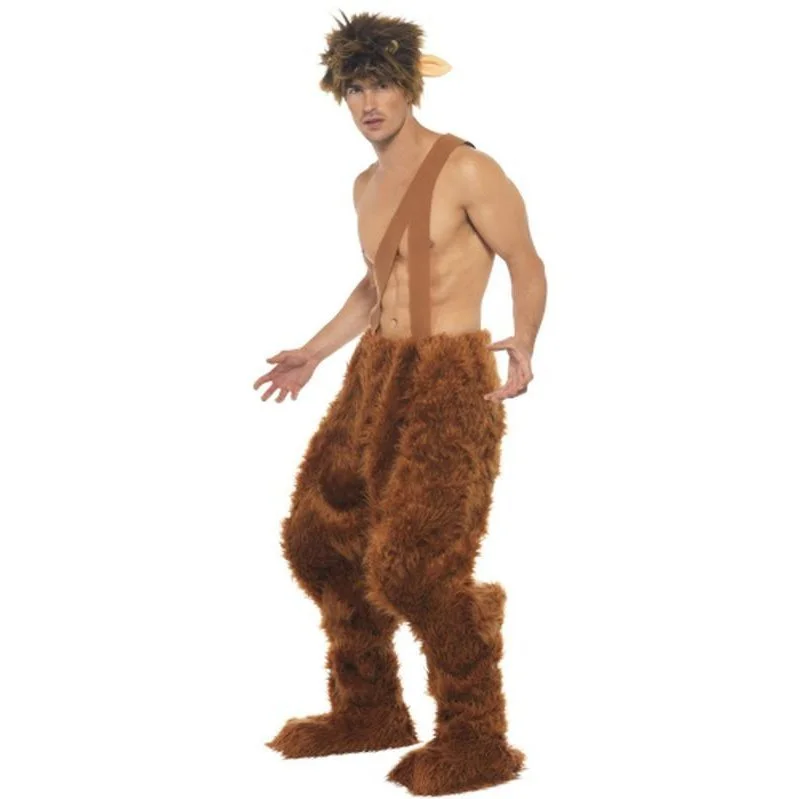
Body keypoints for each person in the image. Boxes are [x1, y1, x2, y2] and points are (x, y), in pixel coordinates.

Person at [253, 10, 547, 795]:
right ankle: (368, 709)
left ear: (411, 86)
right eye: (354, 88)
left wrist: (523, 341)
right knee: (319, 538)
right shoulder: (364, 184)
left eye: (381, 84)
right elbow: (376, 286)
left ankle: (476, 735)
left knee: (418, 563)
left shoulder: (467, 170)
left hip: (447, 378)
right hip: (374, 372)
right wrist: (315, 351)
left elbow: (525, 260)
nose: (368, 102)